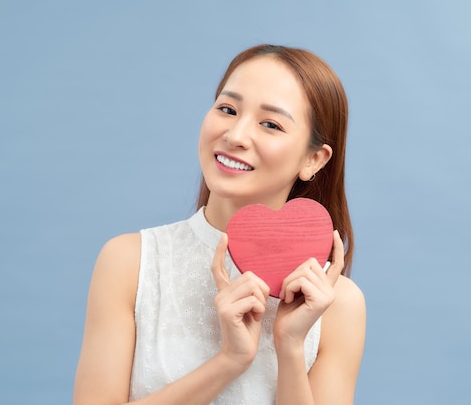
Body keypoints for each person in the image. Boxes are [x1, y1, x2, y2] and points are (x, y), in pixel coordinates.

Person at [73, 44, 366, 405]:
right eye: (228, 109)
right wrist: (230, 361)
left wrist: (290, 346)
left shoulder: (337, 303)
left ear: (313, 159)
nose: (236, 135)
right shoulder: (130, 262)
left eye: (270, 124)